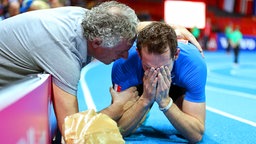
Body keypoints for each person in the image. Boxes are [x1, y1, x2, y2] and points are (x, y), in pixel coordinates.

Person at [0, 0, 140, 139]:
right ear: (97, 42)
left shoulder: (89, 20)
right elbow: (71, 132)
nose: (125, 56)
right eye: (122, 50)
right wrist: (116, 108)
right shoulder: (63, 50)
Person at [112, 22, 207, 143]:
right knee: (130, 127)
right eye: (148, 67)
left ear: (176, 54)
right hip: (140, 84)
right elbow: (117, 129)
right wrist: (145, 100)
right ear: (139, 54)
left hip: (176, 85)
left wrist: (165, 103)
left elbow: (196, 134)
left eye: (164, 67)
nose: (157, 74)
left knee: (186, 130)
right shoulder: (123, 63)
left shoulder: (193, 65)